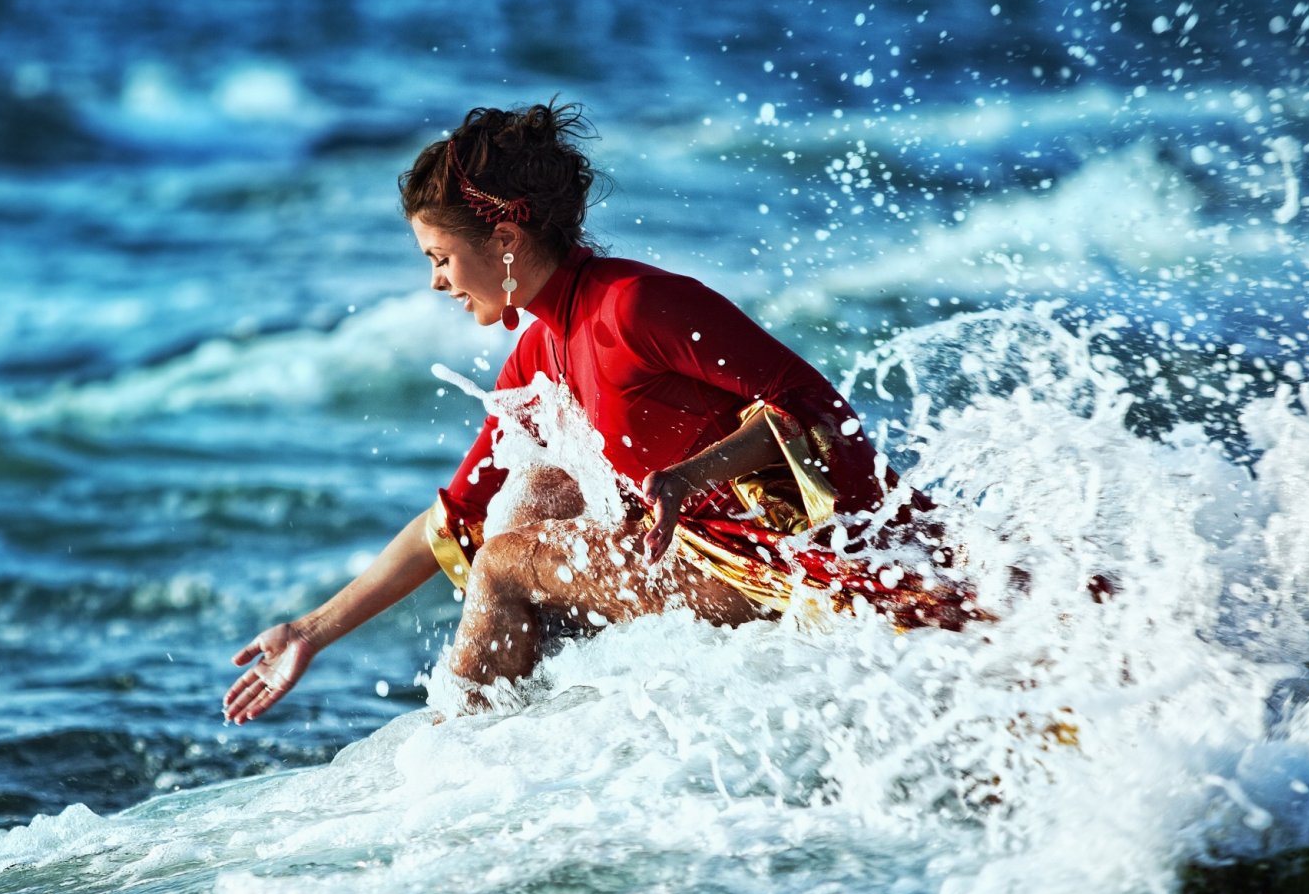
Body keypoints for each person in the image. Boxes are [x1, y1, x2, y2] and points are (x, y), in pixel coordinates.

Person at [222, 103, 974, 725]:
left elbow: (815, 411)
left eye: (440, 257)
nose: (436, 282)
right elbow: (455, 515)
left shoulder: (635, 306)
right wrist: (312, 631)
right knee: (536, 495)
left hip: (802, 571)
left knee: (511, 562)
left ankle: (461, 767)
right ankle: (523, 747)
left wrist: (691, 476)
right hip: (715, 566)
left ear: (506, 239)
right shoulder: (540, 353)